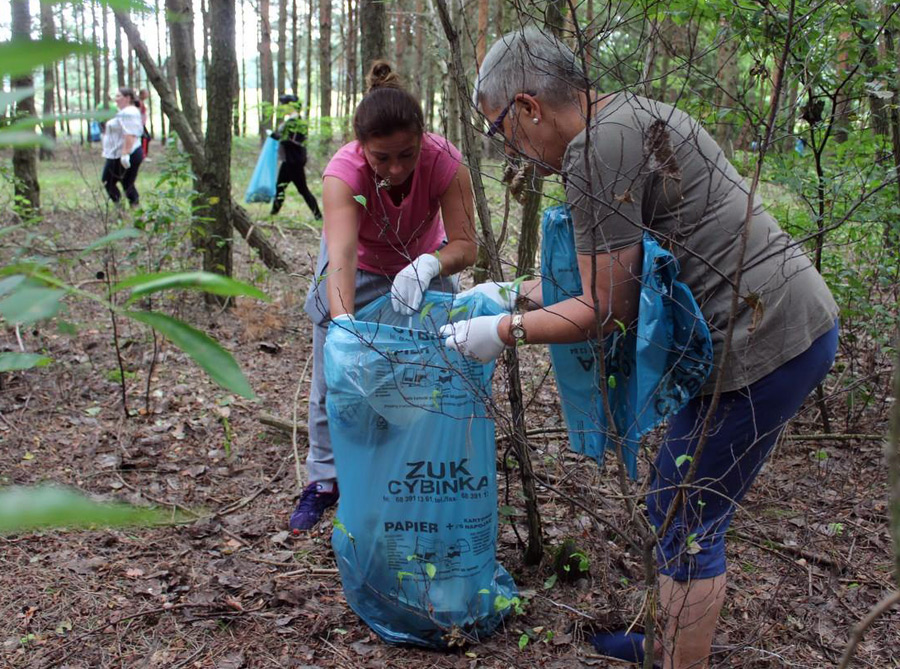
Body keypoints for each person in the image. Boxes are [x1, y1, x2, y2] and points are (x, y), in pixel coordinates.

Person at [443, 28, 839, 669]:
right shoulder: (632, 115)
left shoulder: (594, 153)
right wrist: (511, 294)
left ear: (528, 108)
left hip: (761, 341)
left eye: (498, 129)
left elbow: (606, 309)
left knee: (685, 518)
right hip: (785, 320)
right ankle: (665, 643)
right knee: (677, 503)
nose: (507, 149)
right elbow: (613, 275)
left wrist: (501, 334)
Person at [293, 61, 477, 531]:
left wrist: (431, 263)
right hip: (361, 263)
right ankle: (325, 479)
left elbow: (466, 243)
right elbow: (342, 256)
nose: (395, 169)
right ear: (362, 149)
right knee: (333, 374)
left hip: (421, 263)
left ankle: (408, 466)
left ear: (422, 139)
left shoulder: (445, 162)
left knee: (427, 370)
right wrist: (343, 328)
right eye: (382, 158)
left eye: (407, 155)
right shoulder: (344, 173)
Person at [271, 94, 322, 218]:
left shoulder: (295, 122)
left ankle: (318, 215)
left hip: (294, 162)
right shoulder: (293, 120)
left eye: (284, 105)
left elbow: (292, 142)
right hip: (290, 161)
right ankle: (273, 213)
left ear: (290, 106)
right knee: (280, 187)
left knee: (302, 189)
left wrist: (276, 136)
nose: (282, 107)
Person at [101, 87, 145, 207]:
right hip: (119, 153)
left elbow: (130, 134)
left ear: (128, 98)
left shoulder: (128, 112)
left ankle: (125, 206)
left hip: (125, 154)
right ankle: (129, 207)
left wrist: (125, 154)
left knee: (109, 180)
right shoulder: (125, 112)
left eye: (118, 96)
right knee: (126, 182)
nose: (116, 99)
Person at [138, 89, 152, 158]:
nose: (147, 95)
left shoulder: (142, 102)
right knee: (146, 138)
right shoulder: (139, 102)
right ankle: (143, 155)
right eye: (146, 94)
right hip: (140, 124)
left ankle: (143, 154)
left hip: (142, 124)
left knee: (146, 138)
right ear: (142, 94)